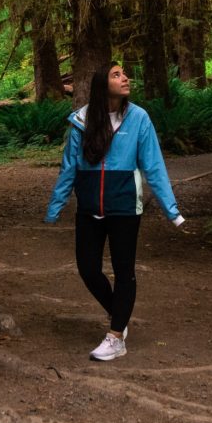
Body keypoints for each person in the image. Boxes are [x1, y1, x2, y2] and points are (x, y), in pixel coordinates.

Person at [44, 63, 184, 361]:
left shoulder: (138, 119)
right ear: (101, 84)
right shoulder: (82, 121)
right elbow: (69, 167)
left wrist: (171, 209)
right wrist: (56, 206)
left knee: (124, 272)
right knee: (88, 268)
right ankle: (119, 312)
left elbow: (153, 165)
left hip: (124, 208)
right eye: (116, 75)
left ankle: (116, 336)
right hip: (89, 208)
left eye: (124, 74)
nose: (125, 78)